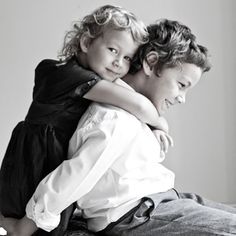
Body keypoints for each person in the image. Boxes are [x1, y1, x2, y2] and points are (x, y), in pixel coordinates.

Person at [4, 19, 235, 236]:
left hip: (166, 199)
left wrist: (155, 126)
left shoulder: (131, 110)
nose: (182, 98)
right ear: (151, 62)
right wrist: (28, 224)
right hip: (137, 213)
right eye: (181, 85)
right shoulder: (115, 116)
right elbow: (74, 175)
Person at [0, 5, 172, 235]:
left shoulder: (99, 77)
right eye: (113, 49)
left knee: (55, 211)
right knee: (27, 216)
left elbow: (133, 99)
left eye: (128, 57)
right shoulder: (61, 74)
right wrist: (161, 124)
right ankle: (19, 228)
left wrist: (153, 125)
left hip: (58, 160)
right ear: (85, 42)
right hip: (37, 160)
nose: (119, 63)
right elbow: (139, 104)